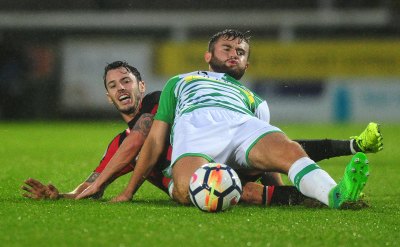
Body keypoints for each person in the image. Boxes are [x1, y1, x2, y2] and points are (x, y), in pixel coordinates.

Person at [76, 30, 382, 209]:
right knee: (189, 188)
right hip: (196, 136)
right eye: (227, 48)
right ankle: (332, 173)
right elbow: (153, 139)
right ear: (208, 56)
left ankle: (335, 194)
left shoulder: (256, 102)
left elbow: (268, 163)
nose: (234, 53)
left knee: (289, 151)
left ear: (247, 63)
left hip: (242, 126)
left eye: (241, 51)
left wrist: (277, 185)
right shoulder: (181, 81)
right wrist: (128, 191)